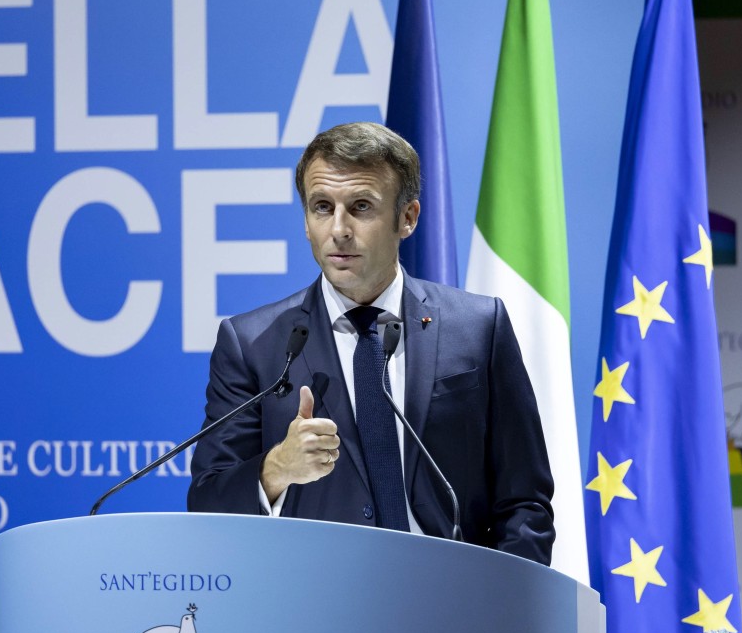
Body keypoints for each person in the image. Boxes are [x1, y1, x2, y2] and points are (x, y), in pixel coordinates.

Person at [187, 122, 554, 565]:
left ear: (408, 217)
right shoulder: (254, 344)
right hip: (316, 613)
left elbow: (524, 503)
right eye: (322, 207)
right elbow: (208, 503)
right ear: (306, 221)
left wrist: (501, 610)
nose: (339, 229)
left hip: (456, 607)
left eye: (361, 207)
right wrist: (277, 468)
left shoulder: (478, 326)